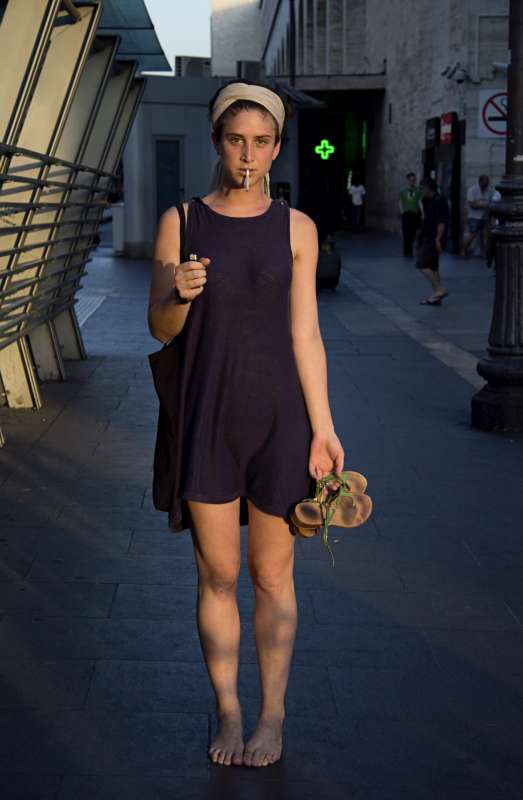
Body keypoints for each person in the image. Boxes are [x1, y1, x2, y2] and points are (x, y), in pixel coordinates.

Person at [147, 81, 344, 768]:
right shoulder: (180, 220)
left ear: (277, 147)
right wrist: (176, 293)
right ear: (217, 142)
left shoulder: (296, 229)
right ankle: (229, 711)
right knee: (218, 575)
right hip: (207, 415)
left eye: (262, 142)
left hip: (279, 423)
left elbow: (306, 336)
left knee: (271, 574)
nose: (248, 154)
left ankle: (272, 717)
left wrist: (323, 428)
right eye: (236, 140)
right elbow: (161, 328)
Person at [416, 177, 449, 305]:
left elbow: (442, 222)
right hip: (427, 236)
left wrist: (438, 239)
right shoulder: (426, 200)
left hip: (433, 239)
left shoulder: (439, 201)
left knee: (422, 264)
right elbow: (424, 217)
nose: (420, 190)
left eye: (422, 188)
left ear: (428, 188)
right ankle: (436, 296)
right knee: (433, 267)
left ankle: (439, 289)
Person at [462, 174, 494, 258]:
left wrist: (481, 204)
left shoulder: (489, 191)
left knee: (484, 235)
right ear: (480, 181)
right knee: (472, 234)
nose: (486, 184)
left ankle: (484, 253)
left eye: (487, 182)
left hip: (484, 216)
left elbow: (491, 203)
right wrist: (484, 205)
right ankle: (464, 250)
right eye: (485, 182)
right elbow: (472, 204)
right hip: (474, 216)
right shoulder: (472, 190)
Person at [399, 172, 422, 256]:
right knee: (406, 231)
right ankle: (407, 249)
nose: (413, 181)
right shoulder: (403, 191)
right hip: (406, 213)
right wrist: (402, 211)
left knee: (412, 231)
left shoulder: (417, 190)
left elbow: (419, 201)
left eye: (414, 180)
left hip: (414, 213)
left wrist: (422, 212)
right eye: (412, 180)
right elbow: (400, 201)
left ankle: (409, 245)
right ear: (408, 180)